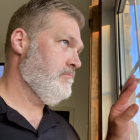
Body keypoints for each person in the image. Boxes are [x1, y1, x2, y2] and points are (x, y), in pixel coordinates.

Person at [0, 0, 138, 140]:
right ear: (20, 42)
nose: (77, 63)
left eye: (78, 51)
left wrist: (114, 136)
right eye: (65, 42)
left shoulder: (65, 130)